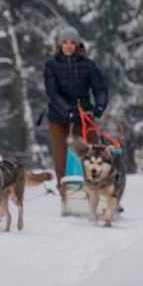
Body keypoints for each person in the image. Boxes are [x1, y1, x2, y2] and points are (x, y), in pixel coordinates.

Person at [39, 26, 109, 185]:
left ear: (78, 45)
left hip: (84, 117)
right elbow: (52, 93)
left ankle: (98, 192)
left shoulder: (88, 65)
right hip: (59, 118)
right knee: (62, 158)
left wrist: (99, 106)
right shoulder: (51, 65)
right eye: (65, 42)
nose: (68, 46)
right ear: (60, 45)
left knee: (93, 155)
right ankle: (66, 194)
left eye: (72, 42)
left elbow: (100, 89)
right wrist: (67, 110)